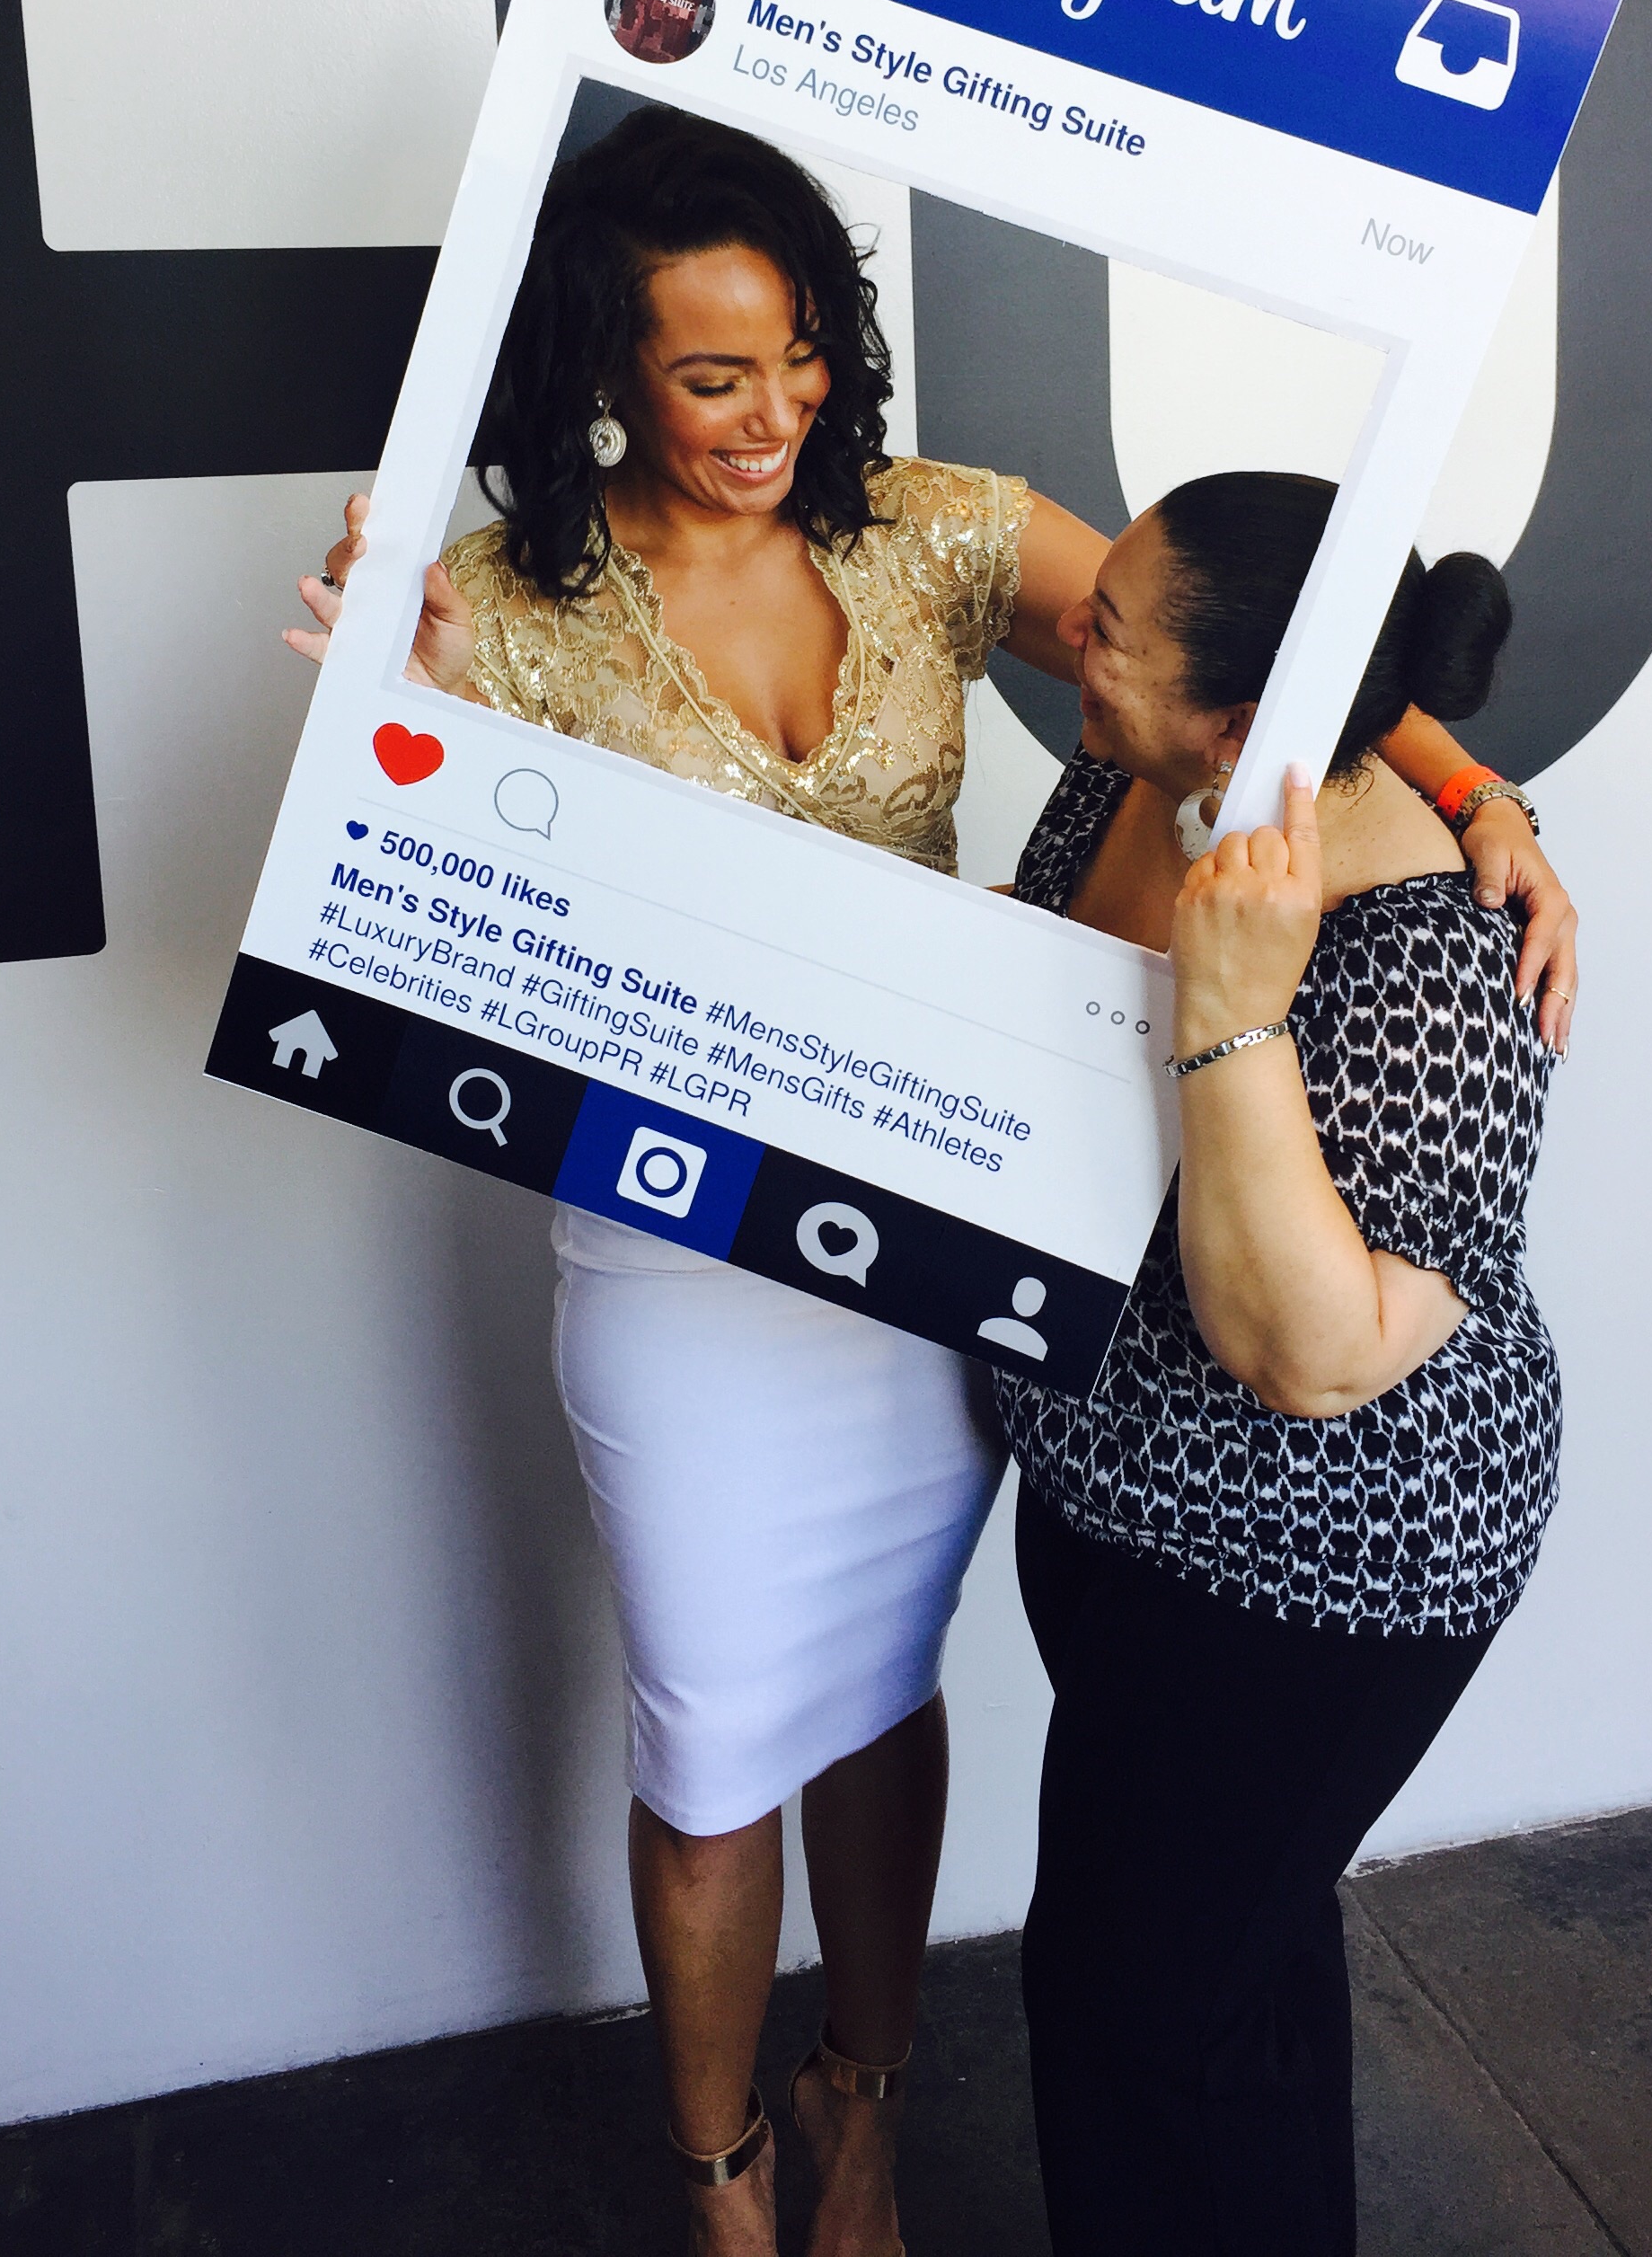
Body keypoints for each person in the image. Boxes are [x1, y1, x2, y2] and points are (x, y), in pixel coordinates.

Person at [286, 109, 1575, 2257]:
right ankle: (725, 2192)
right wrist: (380, 735)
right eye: (712, 375)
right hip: (682, 1221)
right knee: (711, 1732)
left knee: (885, 1690)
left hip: (936, 1242)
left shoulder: (934, 534)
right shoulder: (499, 608)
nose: (772, 412)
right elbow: (396, 894)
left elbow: (1278, 659)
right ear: (607, 369)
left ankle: (858, 2107)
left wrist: (1476, 783)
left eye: (797, 356)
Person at [994, 472, 1564, 2257]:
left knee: (1135, 2015)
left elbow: (1316, 1359)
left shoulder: (1444, 960)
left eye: (1116, 628)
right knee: (1220, 1978)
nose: (1074, 622)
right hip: (1119, 1507)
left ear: (1248, 720)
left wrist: (1235, 1012)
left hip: (1317, 1575)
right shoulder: (1135, 768)